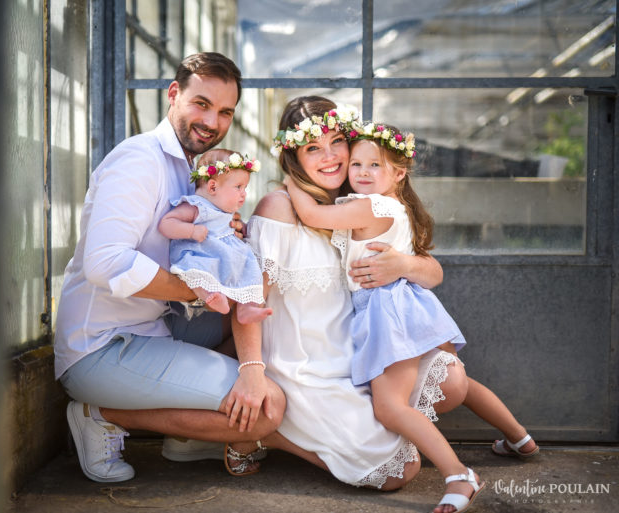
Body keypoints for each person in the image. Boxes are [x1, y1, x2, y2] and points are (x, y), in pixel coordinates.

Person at [284, 120, 539, 513]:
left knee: (390, 407)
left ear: (399, 173)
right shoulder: (390, 205)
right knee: (462, 382)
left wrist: (290, 180)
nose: (362, 172)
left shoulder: (372, 205)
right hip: (406, 305)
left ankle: (458, 474)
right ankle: (520, 438)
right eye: (357, 164)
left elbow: (311, 215)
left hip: (384, 310)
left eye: (375, 165)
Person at [53, 52, 285, 483]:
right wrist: (198, 291)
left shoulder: (190, 168)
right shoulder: (140, 160)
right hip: (104, 346)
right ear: (174, 94)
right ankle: (99, 414)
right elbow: (105, 262)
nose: (212, 122)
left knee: (258, 324)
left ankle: (184, 439)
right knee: (266, 408)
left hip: (160, 325)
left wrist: (223, 233)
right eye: (202, 103)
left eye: (225, 112)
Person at [240, 97, 468, 496]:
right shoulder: (279, 207)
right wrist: (252, 372)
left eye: (336, 143)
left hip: (356, 354)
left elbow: (434, 271)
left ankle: (364, 426)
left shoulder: (359, 198)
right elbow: (249, 301)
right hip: (304, 366)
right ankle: (266, 435)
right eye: (313, 148)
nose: (330, 157)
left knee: (451, 380)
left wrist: (402, 264)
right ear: (293, 156)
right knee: (401, 471)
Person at [159, 149, 272, 325]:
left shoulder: (225, 210)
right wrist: (191, 231)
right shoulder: (197, 206)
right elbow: (166, 223)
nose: (244, 193)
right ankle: (210, 296)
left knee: (251, 266)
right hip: (200, 253)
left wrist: (242, 228)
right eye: (238, 187)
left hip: (225, 255)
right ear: (212, 187)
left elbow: (230, 227)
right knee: (198, 271)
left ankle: (246, 308)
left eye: (245, 188)